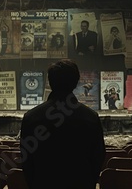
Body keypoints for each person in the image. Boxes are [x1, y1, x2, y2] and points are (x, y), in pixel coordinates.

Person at [20, 59, 106, 189]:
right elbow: (98, 158)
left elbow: (27, 162)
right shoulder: (90, 118)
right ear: (76, 82)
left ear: (49, 82)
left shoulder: (31, 117)